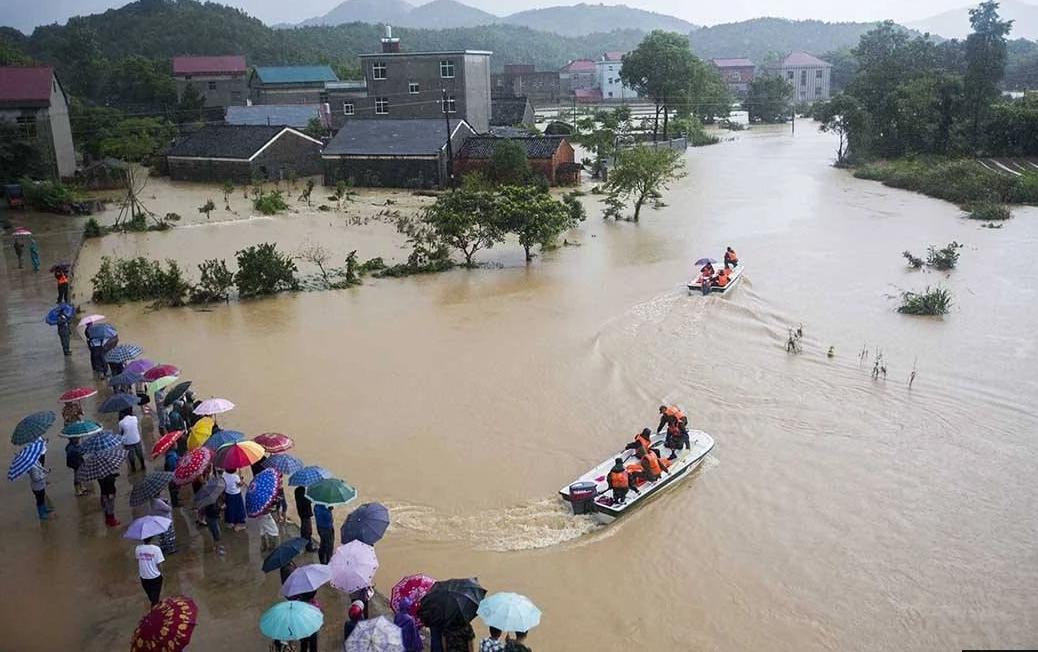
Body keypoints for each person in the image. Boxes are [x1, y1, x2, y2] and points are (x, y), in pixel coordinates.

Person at [135, 536, 165, 606]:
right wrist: (162, 573)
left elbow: (138, 560)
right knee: (155, 599)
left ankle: (155, 604)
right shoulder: (156, 549)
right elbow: (160, 565)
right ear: (152, 538)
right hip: (155, 577)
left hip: (144, 577)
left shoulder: (138, 549)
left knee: (151, 596)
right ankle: (155, 611)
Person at [119, 408, 144, 473]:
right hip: (136, 439)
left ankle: (133, 468)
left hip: (127, 442)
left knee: (131, 455)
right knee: (139, 453)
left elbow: (121, 432)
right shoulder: (135, 418)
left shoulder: (121, 423)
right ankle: (143, 465)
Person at [294, 485, 316, 552]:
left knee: (305, 530)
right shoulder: (302, 492)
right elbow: (307, 502)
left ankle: (304, 544)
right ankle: (308, 547)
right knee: (308, 531)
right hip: (305, 514)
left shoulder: (297, 490)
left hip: (302, 513)